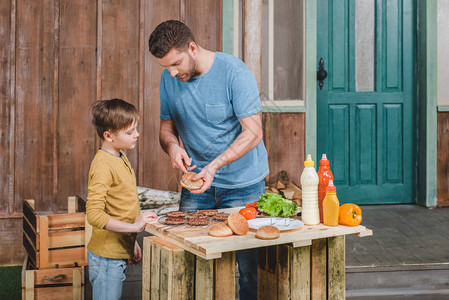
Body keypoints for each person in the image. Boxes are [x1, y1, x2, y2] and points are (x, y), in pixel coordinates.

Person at [148, 20, 269, 299]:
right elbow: (166, 130)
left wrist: (214, 165)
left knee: (249, 270)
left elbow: (253, 133)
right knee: (190, 263)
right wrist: (173, 148)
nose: (171, 72)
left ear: (192, 48)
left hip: (243, 185)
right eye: (165, 67)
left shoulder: (233, 72)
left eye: (176, 64)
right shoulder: (169, 78)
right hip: (197, 188)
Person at [86, 99, 157, 300]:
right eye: (129, 132)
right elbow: (94, 215)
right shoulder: (103, 166)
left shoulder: (120, 155)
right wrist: (135, 228)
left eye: (136, 129)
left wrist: (131, 241)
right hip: (106, 257)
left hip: (117, 251)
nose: (137, 134)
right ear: (108, 136)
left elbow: (121, 207)